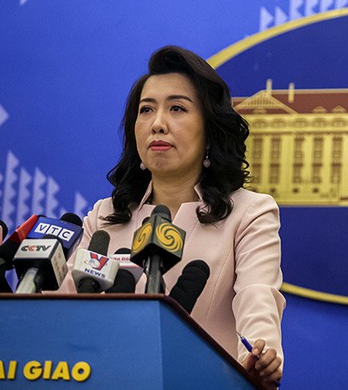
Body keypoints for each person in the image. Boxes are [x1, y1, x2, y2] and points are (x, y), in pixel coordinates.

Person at [57, 45, 285, 387]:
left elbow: (257, 295)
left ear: (209, 130)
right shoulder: (105, 216)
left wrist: (257, 356)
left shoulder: (249, 213)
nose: (158, 124)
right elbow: (62, 312)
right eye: (146, 110)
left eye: (177, 108)